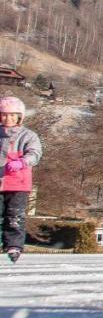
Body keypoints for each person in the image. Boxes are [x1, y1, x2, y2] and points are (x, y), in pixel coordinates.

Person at [1, 96, 41, 263]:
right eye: (4, 114)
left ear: (19, 116)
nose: (8, 118)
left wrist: (22, 162)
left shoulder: (28, 135)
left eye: (12, 115)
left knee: (14, 216)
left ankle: (14, 245)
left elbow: (35, 153)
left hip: (18, 184)